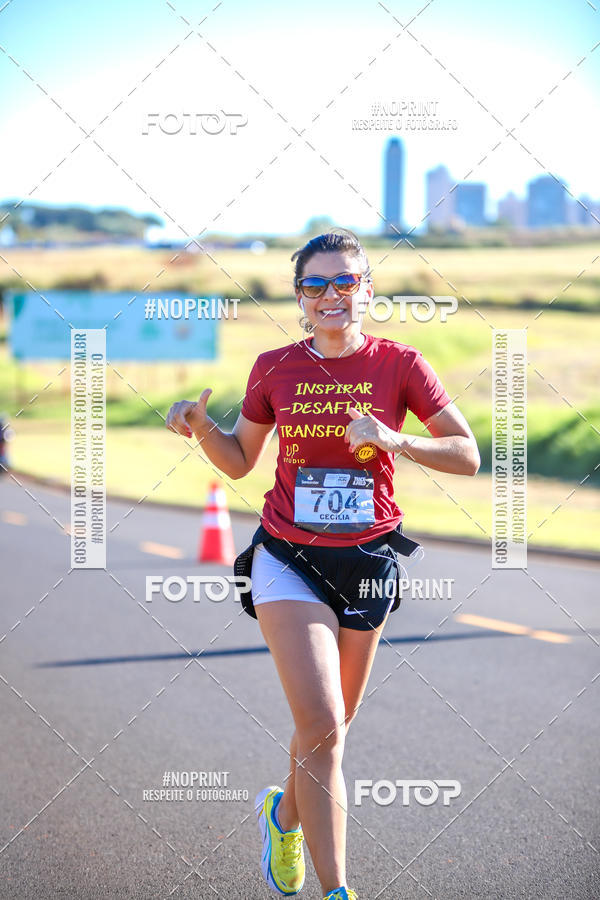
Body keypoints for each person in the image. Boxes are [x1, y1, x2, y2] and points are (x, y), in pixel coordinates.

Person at [166, 229, 480, 900]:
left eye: (347, 281)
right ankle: (338, 891)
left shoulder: (402, 364)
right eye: (317, 284)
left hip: (368, 560)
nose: (333, 294)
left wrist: (396, 439)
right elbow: (241, 460)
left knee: (329, 731)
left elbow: (466, 452)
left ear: (367, 290)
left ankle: (284, 818)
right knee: (321, 725)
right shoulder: (275, 367)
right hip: (289, 555)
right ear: (299, 296)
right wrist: (199, 426)